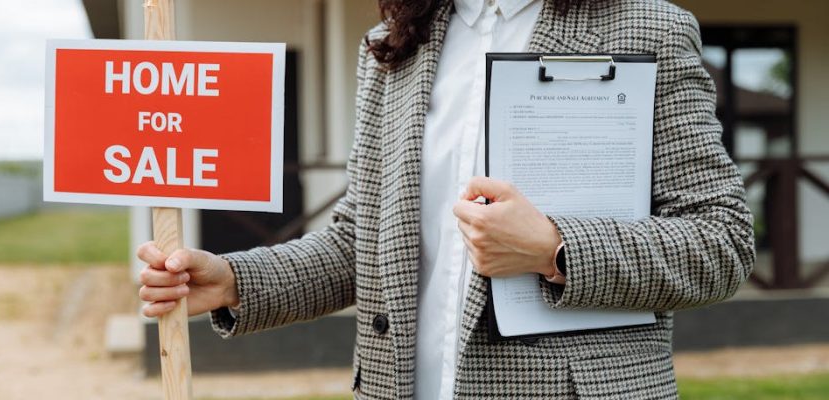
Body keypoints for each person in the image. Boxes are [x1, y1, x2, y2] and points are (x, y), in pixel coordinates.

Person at [137, 0, 755, 398]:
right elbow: (365, 240)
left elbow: (720, 239)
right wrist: (235, 279)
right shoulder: (391, 47)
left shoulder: (646, 28)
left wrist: (555, 248)